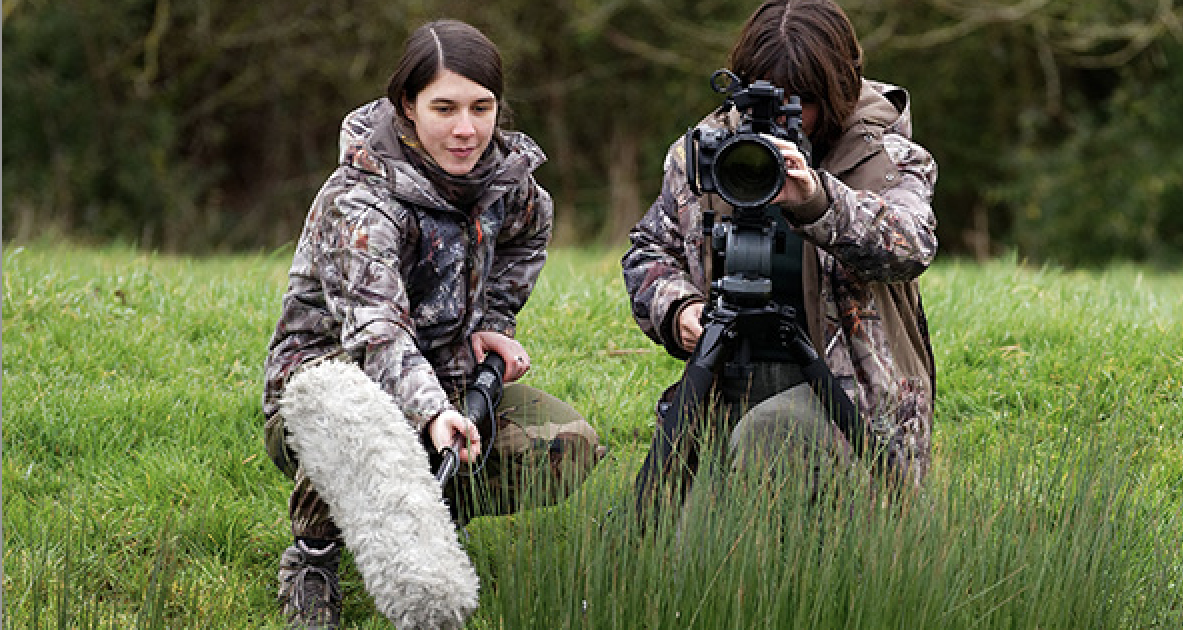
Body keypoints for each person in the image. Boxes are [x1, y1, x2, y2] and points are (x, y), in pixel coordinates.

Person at [261, 19, 604, 629]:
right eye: (444, 107)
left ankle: (429, 518)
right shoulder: (361, 201)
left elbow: (527, 242)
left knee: (567, 446)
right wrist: (431, 411)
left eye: (482, 107)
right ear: (407, 108)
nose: (466, 128)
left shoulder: (514, 189)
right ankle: (313, 558)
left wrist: (494, 323)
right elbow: (377, 334)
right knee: (357, 411)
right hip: (330, 391)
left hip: (449, 381)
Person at [622, 0, 937, 517]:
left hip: (851, 405)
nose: (784, 116)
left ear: (839, 89)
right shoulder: (708, 151)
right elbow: (650, 250)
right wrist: (677, 309)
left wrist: (817, 199)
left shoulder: (886, 155)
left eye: (803, 101)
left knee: (774, 437)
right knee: (688, 564)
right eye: (763, 96)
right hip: (729, 380)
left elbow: (911, 244)